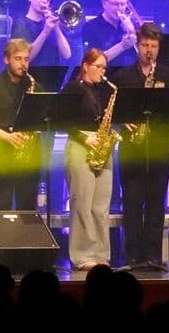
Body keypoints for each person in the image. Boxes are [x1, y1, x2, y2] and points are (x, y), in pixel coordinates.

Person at [111, 22, 169, 267]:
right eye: (144, 45)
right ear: (137, 46)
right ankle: (132, 254)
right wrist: (123, 121)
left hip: (160, 147)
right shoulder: (123, 76)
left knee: (155, 202)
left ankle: (152, 254)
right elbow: (113, 112)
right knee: (131, 201)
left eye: (153, 46)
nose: (149, 50)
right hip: (133, 149)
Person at [60, 48, 114, 271]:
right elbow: (62, 120)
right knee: (82, 203)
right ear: (85, 65)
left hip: (101, 145)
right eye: (98, 66)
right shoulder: (73, 88)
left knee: (100, 206)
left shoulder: (102, 91)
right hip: (81, 146)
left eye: (104, 68)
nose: (102, 72)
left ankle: (101, 254)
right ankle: (82, 256)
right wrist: (84, 138)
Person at [0, 38, 40, 210]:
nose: (23, 64)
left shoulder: (33, 86)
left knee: (28, 211)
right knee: (1, 208)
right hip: (0, 157)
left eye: (26, 59)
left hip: (28, 158)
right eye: (18, 59)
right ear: (6, 59)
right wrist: (7, 137)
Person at [9, 0, 71, 67]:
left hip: (53, 78)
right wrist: (45, 32)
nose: (44, 1)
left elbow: (67, 55)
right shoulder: (20, 23)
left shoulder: (51, 24)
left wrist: (56, 28)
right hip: (32, 77)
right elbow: (25, 58)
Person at [82, 0, 138, 69]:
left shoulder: (132, 24)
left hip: (130, 76)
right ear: (105, 4)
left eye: (122, 4)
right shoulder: (91, 27)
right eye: (115, 4)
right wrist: (122, 46)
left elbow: (144, 56)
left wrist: (132, 31)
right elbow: (92, 61)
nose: (119, 8)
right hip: (104, 76)